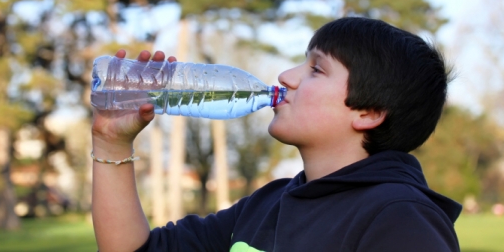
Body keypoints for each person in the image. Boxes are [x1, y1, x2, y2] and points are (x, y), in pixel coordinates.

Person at [91, 17, 462, 252]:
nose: (287, 76)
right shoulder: (268, 203)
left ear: (368, 113)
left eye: (316, 69)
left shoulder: (400, 218)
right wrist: (111, 141)